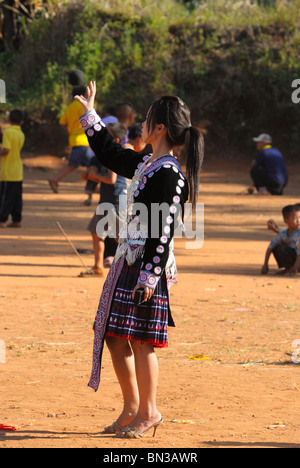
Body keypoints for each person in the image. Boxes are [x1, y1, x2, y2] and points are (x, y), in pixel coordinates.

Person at [75, 82, 204, 439]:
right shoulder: (148, 163)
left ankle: (149, 411)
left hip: (149, 266)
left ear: (159, 128)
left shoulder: (170, 173)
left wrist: (149, 277)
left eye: (146, 120)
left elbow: (163, 230)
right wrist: (90, 112)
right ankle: (131, 407)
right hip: (128, 260)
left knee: (143, 341)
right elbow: (111, 154)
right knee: (116, 337)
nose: (141, 126)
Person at [79, 122, 128, 277]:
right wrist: (90, 175)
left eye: (108, 135)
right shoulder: (108, 153)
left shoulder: (114, 154)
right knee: (97, 233)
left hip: (115, 201)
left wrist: (93, 176)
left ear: (117, 140)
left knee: (122, 238)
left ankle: (129, 269)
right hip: (107, 201)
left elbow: (111, 179)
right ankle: (98, 266)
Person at [48, 87, 93, 193]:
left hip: (74, 140)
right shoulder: (82, 105)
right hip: (82, 141)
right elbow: (90, 119)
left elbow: (62, 123)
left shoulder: (69, 108)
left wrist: (71, 132)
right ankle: (55, 179)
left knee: (88, 166)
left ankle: (91, 190)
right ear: (82, 95)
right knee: (83, 166)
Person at [0, 109, 25, 228]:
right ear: (22, 122)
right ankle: (16, 220)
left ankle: (2, 220)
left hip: (7, 171)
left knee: (5, 197)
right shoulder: (21, 134)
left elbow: (6, 150)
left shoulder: (8, 132)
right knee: (16, 197)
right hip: (18, 171)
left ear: (9, 120)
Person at [261, 204, 300, 276]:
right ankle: (288, 268)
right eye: (295, 219)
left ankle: (294, 269)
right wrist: (265, 264)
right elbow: (270, 247)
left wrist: (295, 268)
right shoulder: (284, 233)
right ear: (286, 221)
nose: (298, 221)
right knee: (278, 247)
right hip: (295, 257)